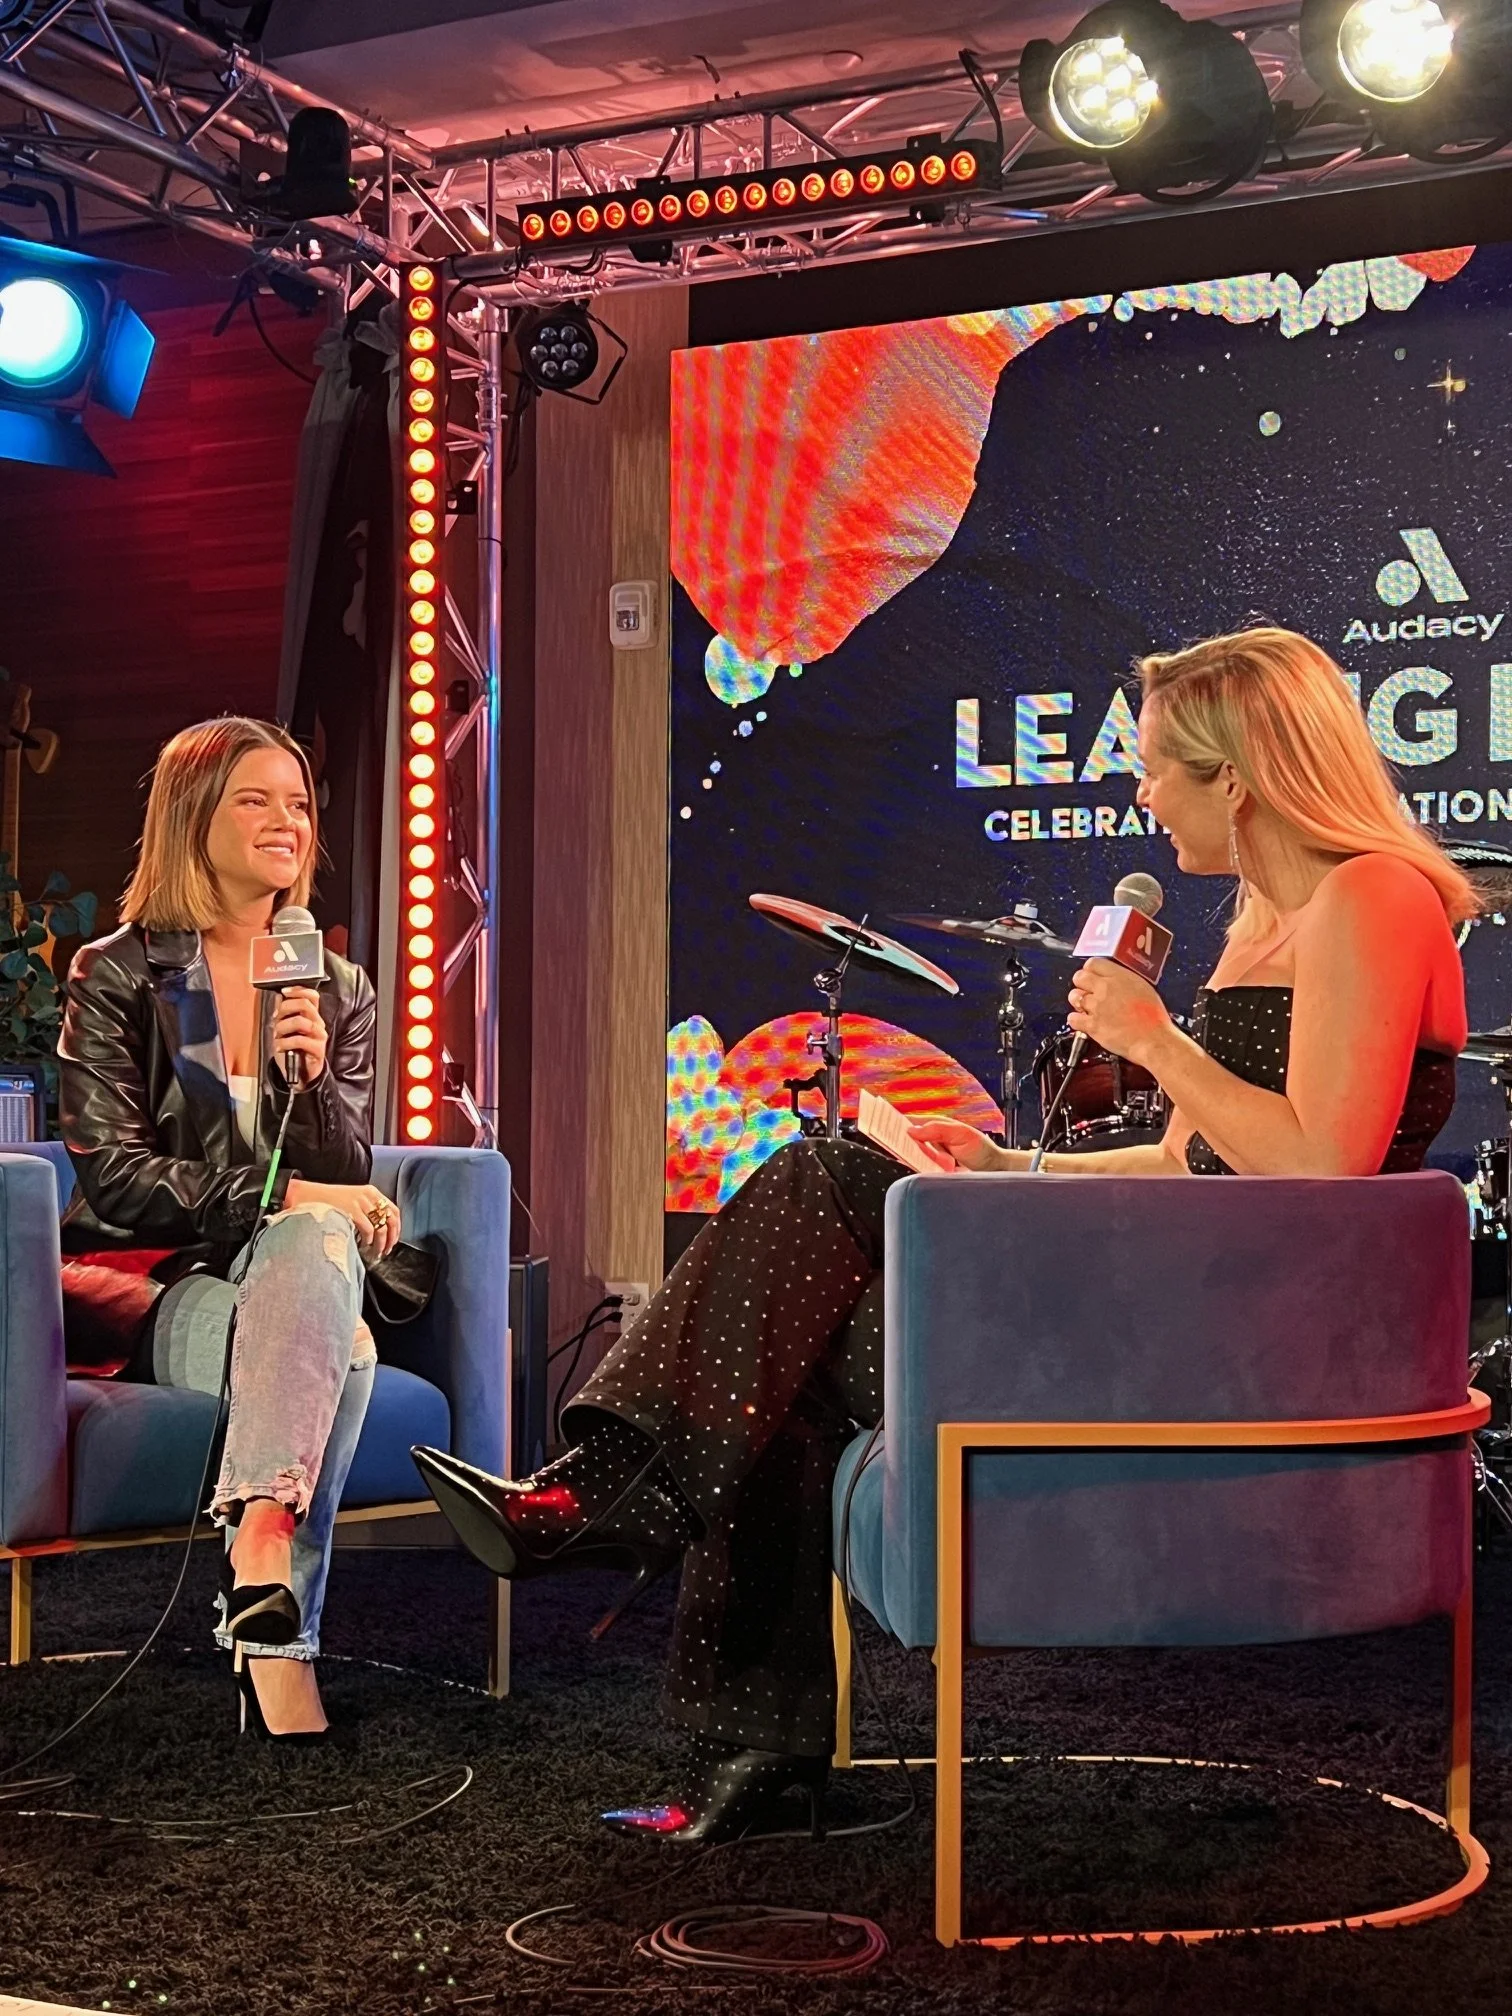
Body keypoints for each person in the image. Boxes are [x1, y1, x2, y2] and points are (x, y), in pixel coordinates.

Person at [414, 624, 1475, 1837]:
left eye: (1154, 768)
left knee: (817, 1196)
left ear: (1233, 777)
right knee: (811, 1275)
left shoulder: (1375, 897)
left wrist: (1155, 1041)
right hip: (1187, 1300)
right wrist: (1008, 1164)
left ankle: (618, 1500)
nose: (1136, 791)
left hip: (1254, 1350)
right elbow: (1193, 1164)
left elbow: (1325, 1166)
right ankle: (741, 1736)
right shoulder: (1255, 922)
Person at [58, 716, 402, 1742]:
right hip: (158, 1286)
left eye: (297, 803)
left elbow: (345, 1176)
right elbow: (113, 1177)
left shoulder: (335, 987)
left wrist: (309, 1082)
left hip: (295, 1278)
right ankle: (279, 1658)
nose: (285, 822)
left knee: (317, 1253)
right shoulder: (119, 973)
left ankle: (260, 1541)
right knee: (341, 1346)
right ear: (192, 818)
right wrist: (286, 1199)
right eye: (254, 799)